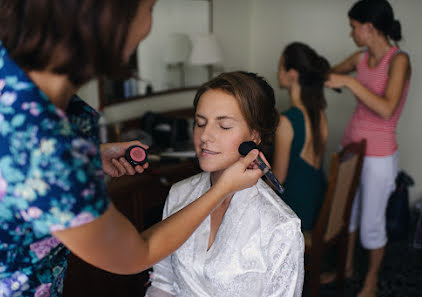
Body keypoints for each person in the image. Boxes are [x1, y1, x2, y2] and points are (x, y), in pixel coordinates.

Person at [0, 1, 265, 296]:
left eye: (224, 125)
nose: (149, 28)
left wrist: (86, 157)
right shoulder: (46, 153)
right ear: (108, 16)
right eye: (149, 9)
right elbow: (140, 253)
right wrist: (220, 190)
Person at [145, 71, 305, 297]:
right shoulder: (179, 195)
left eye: (224, 126)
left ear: (255, 135)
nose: (205, 136)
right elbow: (163, 283)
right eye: (200, 123)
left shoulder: (280, 226)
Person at [324, 1, 411, 296]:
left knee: (371, 223)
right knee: (346, 214)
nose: (351, 34)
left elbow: (387, 108)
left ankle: (370, 281)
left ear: (369, 27)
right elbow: (330, 75)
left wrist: (348, 82)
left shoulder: (398, 61)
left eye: (353, 27)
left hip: (379, 155)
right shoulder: (359, 58)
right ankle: (345, 269)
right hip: (350, 145)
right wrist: (320, 74)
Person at [273, 42, 329, 230]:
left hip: (294, 213)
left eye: (280, 67)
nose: (277, 72)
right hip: (316, 205)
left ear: (292, 74)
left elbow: (277, 180)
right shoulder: (319, 113)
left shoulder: (286, 121)